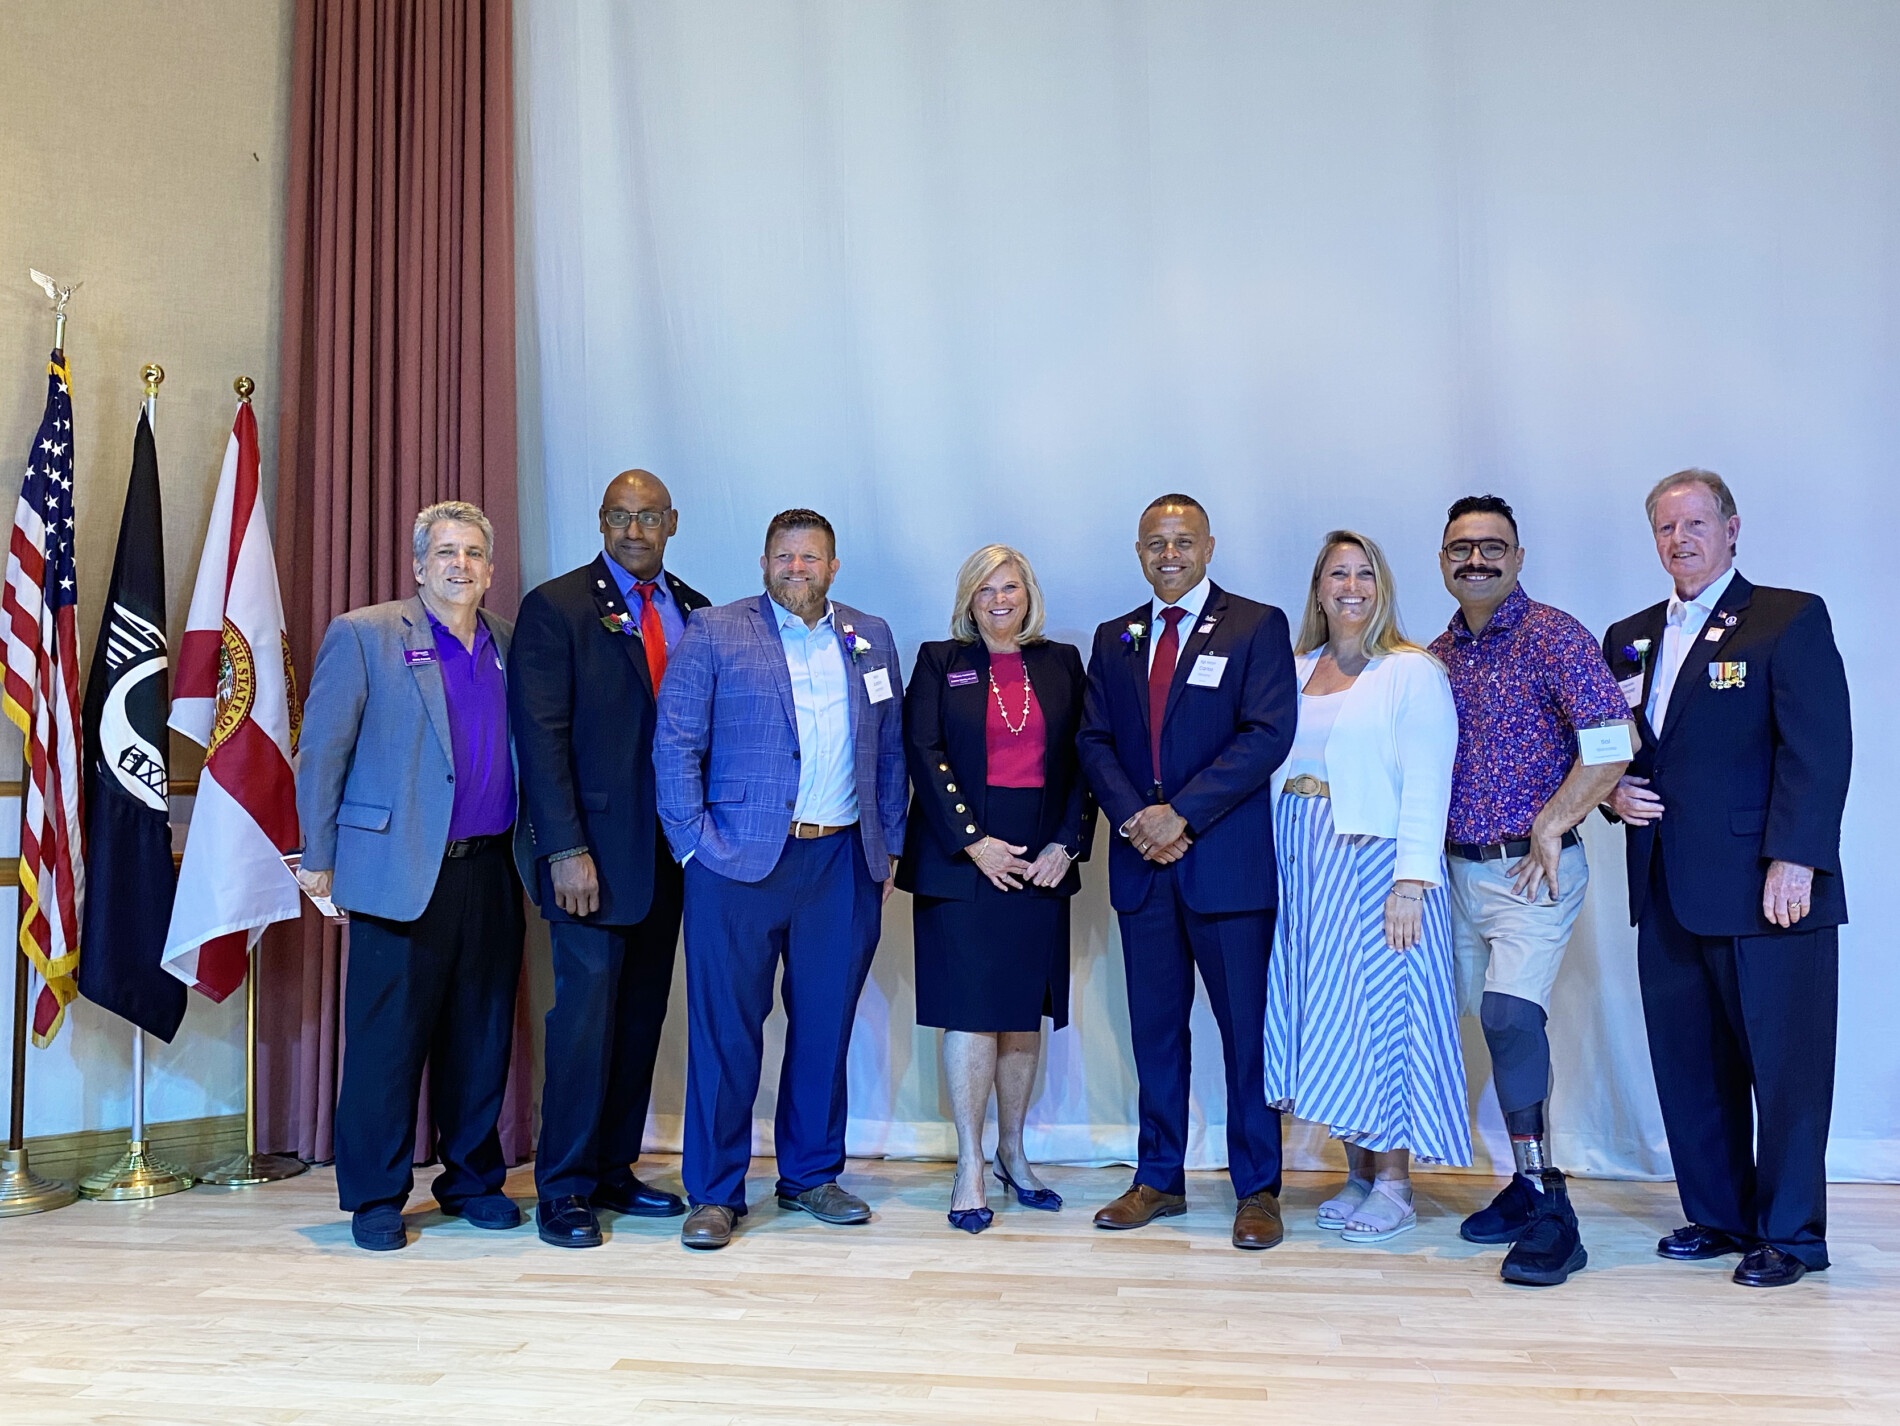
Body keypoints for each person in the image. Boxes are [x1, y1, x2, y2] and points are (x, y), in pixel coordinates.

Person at [1603, 470, 1850, 1288]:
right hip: (1667, 883)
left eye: (1697, 522)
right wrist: (1610, 793)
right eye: (1666, 528)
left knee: (1784, 1068)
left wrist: (1799, 855)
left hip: (1765, 888)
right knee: (1691, 1065)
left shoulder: (1787, 617)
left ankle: (1791, 1235)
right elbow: (1620, 752)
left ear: (1732, 528)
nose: (1682, 539)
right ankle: (1718, 1214)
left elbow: (1818, 748)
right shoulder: (1629, 636)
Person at [653, 508, 908, 1251]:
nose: (798, 569)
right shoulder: (716, 631)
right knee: (725, 1033)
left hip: (841, 864)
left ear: (834, 566)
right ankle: (714, 1191)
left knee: (824, 1029)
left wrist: (883, 848)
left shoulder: (871, 637)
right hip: (734, 864)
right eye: (784, 556)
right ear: (765, 563)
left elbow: (888, 749)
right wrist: (693, 847)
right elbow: (675, 742)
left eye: (812, 557)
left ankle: (810, 1176)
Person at [296, 501, 523, 1253]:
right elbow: (323, 753)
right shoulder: (364, 635)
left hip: (490, 869)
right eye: (447, 552)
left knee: (481, 1036)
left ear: (491, 569)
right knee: (387, 1043)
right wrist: (318, 856)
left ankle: (470, 1180)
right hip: (397, 871)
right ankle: (375, 1196)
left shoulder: (508, 643)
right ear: (420, 564)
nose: (461, 565)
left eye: (474, 554)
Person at [1076, 494, 1297, 1251]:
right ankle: (1158, 1178)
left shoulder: (1255, 625)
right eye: (1155, 543)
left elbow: (1267, 734)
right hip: (1143, 866)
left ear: (1209, 547)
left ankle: (1258, 1189)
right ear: (1139, 550)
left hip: (1225, 867)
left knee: (1246, 1037)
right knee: (1156, 1034)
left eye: (1183, 541)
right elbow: (1094, 742)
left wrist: (1184, 815)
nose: (1169, 554)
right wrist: (1140, 817)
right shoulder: (1116, 637)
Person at [1427, 494, 1632, 1287]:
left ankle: (1553, 1209)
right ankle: (1518, 1183)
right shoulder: (1438, 653)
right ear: (1442, 558)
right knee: (1470, 1023)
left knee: (1511, 1019)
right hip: (1451, 872)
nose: (1475, 560)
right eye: (1460, 548)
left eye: (1492, 547)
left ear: (1518, 556)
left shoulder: (1555, 636)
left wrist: (1553, 822)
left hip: (1529, 870)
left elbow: (1613, 741)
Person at [509, 469, 711, 1248]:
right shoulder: (556, 608)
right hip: (587, 859)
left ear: (671, 522)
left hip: (670, 858)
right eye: (620, 516)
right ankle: (562, 1188)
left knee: (637, 1020)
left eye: (649, 516)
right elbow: (541, 737)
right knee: (583, 1024)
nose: (635, 530)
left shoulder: (693, 610)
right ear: (601, 522)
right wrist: (563, 848)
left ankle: (614, 1170)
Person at [1262, 531, 1468, 1244]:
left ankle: (1397, 1182)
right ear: (1318, 588)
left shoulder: (1411, 672)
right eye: (1336, 574)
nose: (1351, 586)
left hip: (1376, 865)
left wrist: (1412, 881)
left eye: (1364, 575)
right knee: (1330, 1020)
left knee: (1386, 1021)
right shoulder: (1293, 668)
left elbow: (1427, 781)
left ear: (1381, 588)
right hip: (1303, 865)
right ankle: (1355, 1171)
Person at [896, 544, 1094, 1233]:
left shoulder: (1061, 663)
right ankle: (970, 1162)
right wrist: (972, 841)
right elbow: (923, 752)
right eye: (986, 589)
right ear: (968, 599)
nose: (999, 599)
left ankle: (1013, 1149)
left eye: (1010, 587)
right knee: (972, 1011)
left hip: (1041, 855)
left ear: (1028, 593)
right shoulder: (938, 662)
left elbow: (1083, 759)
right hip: (961, 856)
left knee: (1020, 1015)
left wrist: (1066, 844)